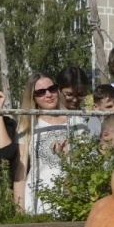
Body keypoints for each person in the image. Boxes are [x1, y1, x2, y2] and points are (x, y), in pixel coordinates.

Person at [16, 71, 90, 214]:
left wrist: (69, 156)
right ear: (33, 97)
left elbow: (85, 166)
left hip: (72, 204)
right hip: (37, 204)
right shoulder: (27, 124)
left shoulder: (77, 121)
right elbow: (20, 171)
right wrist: (19, 210)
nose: (48, 94)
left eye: (52, 89)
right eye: (41, 92)